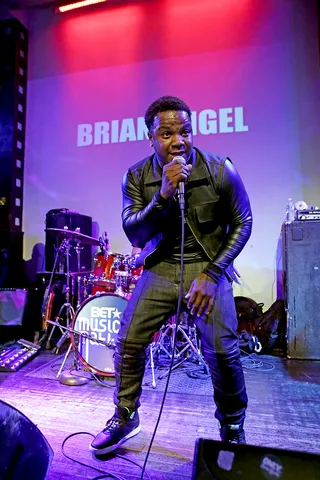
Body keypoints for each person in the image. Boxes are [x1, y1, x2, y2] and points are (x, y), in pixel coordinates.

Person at [90, 95, 253, 455]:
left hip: (208, 267)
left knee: (223, 353)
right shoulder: (135, 176)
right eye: (166, 134)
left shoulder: (219, 168)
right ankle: (125, 415)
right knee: (129, 342)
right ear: (150, 137)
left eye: (185, 132)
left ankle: (232, 424)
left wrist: (212, 274)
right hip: (161, 267)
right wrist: (162, 195)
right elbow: (135, 234)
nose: (178, 140)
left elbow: (244, 222)